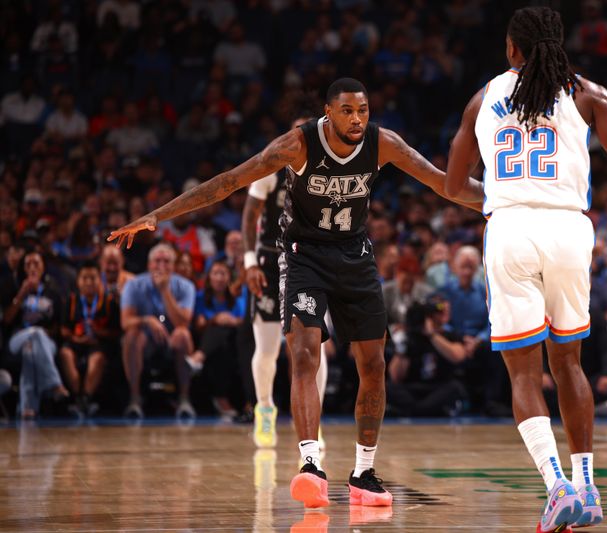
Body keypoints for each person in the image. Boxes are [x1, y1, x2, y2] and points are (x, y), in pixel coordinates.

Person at [108, 77, 483, 509]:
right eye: (347, 111)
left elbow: (443, 184)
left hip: (355, 255)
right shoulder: (298, 145)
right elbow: (229, 181)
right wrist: (158, 215)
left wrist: (499, 201)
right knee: (304, 351)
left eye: (363, 110)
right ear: (328, 112)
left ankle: (364, 472)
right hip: (304, 255)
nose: (357, 118)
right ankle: (310, 464)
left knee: (374, 363)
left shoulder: (384, 143)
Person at [444, 7, 607, 532]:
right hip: (569, 230)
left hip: (512, 229)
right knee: (569, 363)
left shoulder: (482, 99)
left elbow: (454, 186)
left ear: (512, 48)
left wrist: (503, 198)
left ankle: (556, 487)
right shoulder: (590, 94)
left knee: (523, 371)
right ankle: (586, 487)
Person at [242, 116, 329, 448]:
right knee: (266, 350)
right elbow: (250, 216)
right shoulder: (273, 164)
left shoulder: (328, 168)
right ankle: (264, 408)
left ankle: (312, 419)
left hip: (309, 260)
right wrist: (249, 262)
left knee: (315, 348)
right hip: (269, 258)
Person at [120, 243, 196, 419]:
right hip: (145, 339)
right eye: (157, 261)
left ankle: (184, 398)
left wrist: (165, 291)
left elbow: (183, 321)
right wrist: (147, 320)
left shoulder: (186, 286)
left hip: (172, 339)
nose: (161, 266)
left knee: (183, 334)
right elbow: (126, 322)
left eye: (167, 261)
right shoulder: (133, 285)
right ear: (149, 265)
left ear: (173, 266)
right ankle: (135, 398)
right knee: (131, 336)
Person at [1, 251, 68, 418]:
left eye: (36, 263)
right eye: (28, 264)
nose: (32, 267)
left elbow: (58, 326)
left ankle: (27, 408)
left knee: (30, 349)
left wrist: (45, 333)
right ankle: (54, 383)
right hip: (17, 339)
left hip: (45, 343)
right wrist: (21, 294)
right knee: (33, 334)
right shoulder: (13, 286)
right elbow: (7, 320)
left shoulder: (52, 291)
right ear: (23, 268)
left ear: (43, 267)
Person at [60, 261, 120, 417]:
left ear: (99, 280)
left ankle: (86, 397)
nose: (88, 282)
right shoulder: (71, 301)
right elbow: (64, 329)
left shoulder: (109, 302)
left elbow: (116, 332)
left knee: (98, 358)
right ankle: (76, 396)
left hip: (98, 343)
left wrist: (99, 332)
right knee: (65, 354)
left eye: (92, 278)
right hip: (76, 342)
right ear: (78, 281)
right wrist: (75, 338)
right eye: (84, 278)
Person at [189, 260, 245, 418]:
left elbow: (242, 322)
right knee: (218, 330)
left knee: (226, 331)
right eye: (216, 273)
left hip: (234, 341)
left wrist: (231, 320)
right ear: (209, 277)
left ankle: (198, 357)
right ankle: (221, 398)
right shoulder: (200, 297)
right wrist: (215, 319)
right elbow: (199, 325)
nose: (219, 278)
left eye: (223, 274)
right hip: (207, 339)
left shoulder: (236, 298)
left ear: (229, 278)